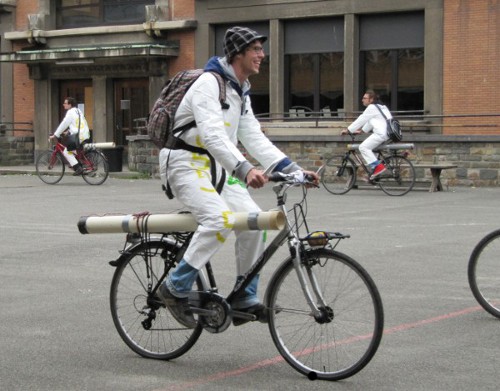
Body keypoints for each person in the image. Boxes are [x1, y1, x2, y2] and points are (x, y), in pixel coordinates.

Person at [157, 26, 319, 328]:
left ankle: (244, 294)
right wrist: (244, 169)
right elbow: (213, 136)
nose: (262, 55)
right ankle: (175, 287)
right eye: (255, 49)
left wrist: (293, 170)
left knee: (255, 221)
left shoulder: (240, 91)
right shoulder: (209, 83)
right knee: (220, 220)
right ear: (238, 53)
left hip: (216, 167)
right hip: (183, 162)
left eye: (261, 49)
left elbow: (254, 138)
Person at [340, 90, 392, 179]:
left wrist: (348, 130)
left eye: (364, 98)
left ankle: (378, 168)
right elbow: (371, 120)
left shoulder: (372, 107)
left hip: (381, 134)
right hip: (388, 133)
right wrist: (362, 131)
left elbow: (362, 119)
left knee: (363, 147)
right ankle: (374, 175)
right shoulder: (381, 106)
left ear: (371, 99)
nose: (362, 100)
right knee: (371, 150)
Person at [49, 97, 90, 175]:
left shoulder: (70, 112)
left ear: (70, 105)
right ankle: (79, 165)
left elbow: (64, 124)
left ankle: (78, 168)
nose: (63, 104)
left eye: (65, 103)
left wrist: (55, 134)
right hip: (85, 134)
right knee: (73, 151)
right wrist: (68, 131)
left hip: (79, 136)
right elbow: (77, 123)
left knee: (67, 152)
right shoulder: (78, 111)